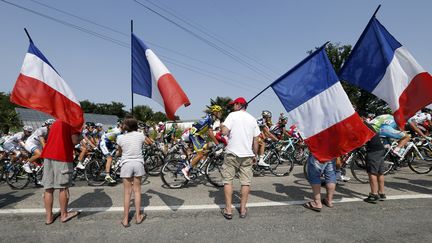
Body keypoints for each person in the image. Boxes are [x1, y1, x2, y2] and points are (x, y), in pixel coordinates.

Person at [220, 97, 260, 219]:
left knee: (228, 180)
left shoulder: (232, 116)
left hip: (232, 153)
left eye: (234, 104)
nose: (233, 106)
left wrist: (222, 126)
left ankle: (228, 210)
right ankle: (242, 209)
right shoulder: (253, 119)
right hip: (247, 155)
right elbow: (256, 140)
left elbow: (224, 132)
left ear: (239, 105)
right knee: (245, 182)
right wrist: (255, 155)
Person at [41, 120, 82, 224]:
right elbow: (74, 141)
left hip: (48, 154)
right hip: (62, 155)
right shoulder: (72, 122)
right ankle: (64, 215)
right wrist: (81, 135)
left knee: (48, 188)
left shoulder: (56, 122)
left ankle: (49, 217)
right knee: (63, 187)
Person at [116, 117, 147, 227]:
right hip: (138, 163)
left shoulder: (120, 138)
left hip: (126, 164)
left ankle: (125, 219)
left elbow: (119, 152)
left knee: (127, 192)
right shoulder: (140, 135)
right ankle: (138, 217)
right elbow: (147, 142)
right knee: (137, 191)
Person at [182, 105, 223, 180]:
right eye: (220, 112)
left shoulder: (210, 117)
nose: (221, 113)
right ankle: (186, 169)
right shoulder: (210, 119)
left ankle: (199, 167)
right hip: (194, 134)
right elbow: (210, 133)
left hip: (198, 135)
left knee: (208, 147)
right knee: (200, 153)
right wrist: (217, 144)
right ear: (215, 112)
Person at [358, 111, 387, 203]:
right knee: (380, 172)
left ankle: (374, 194)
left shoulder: (363, 126)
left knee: (372, 173)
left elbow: (361, 139)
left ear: (362, 118)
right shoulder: (367, 125)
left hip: (373, 151)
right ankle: (382, 193)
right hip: (380, 149)